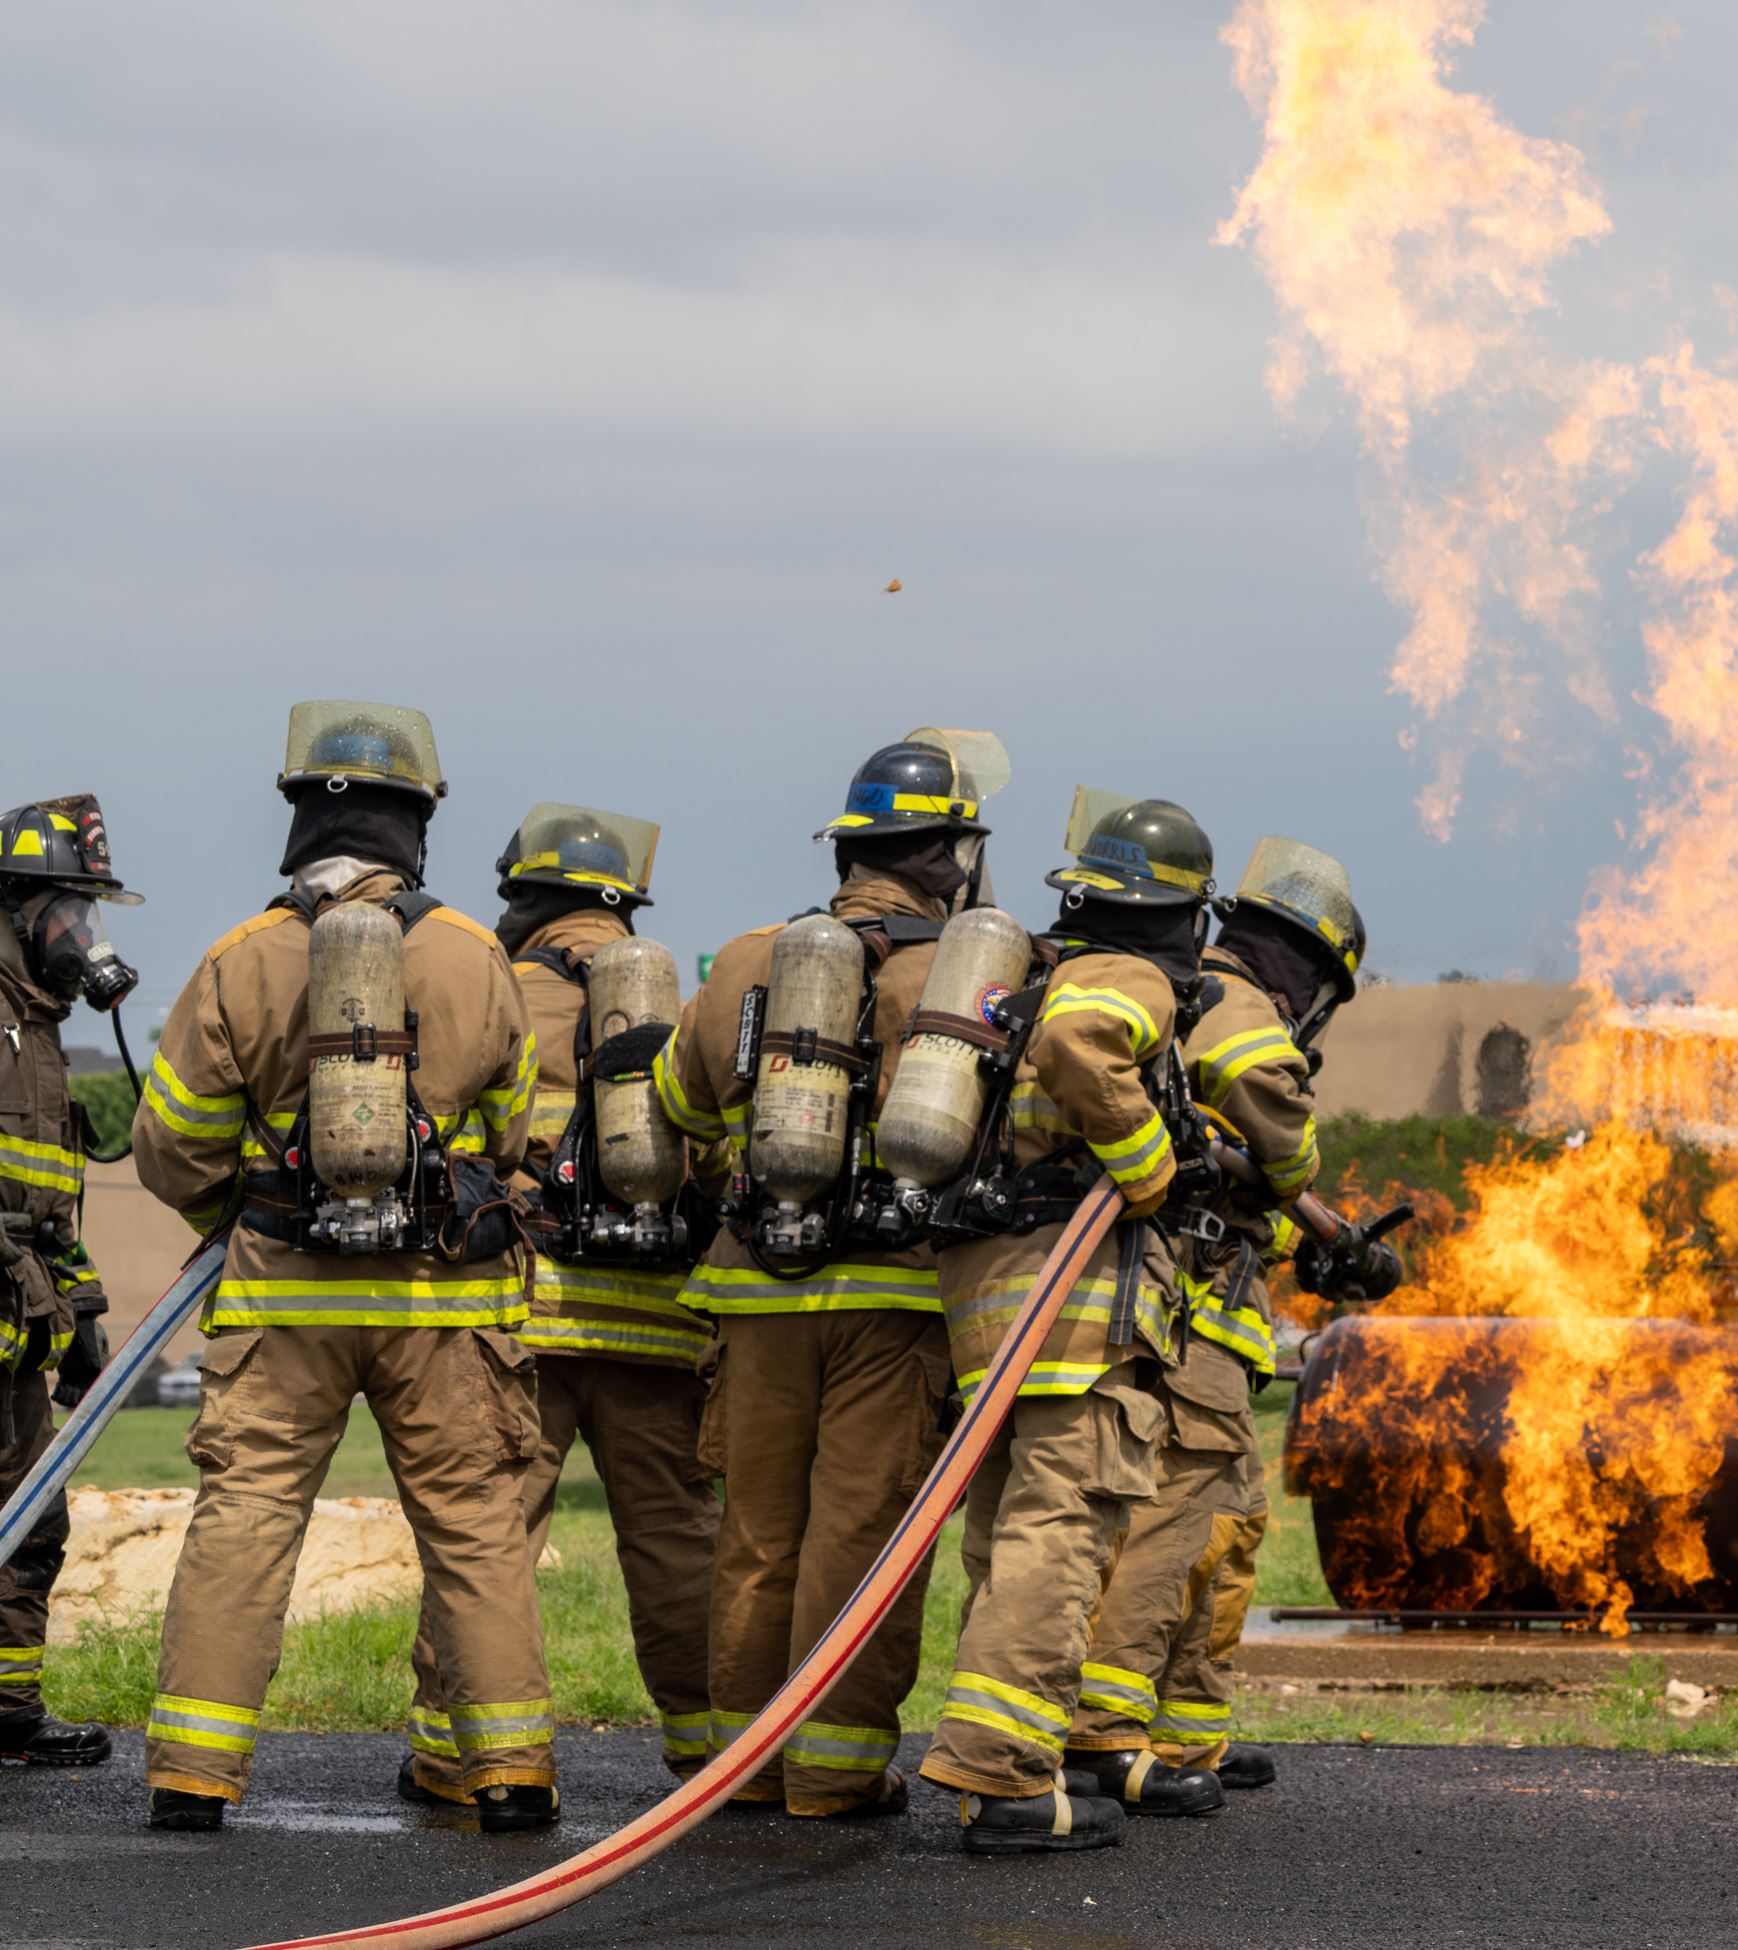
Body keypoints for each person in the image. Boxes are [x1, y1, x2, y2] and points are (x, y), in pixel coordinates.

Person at [133, 702, 551, 1834]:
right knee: (471, 1522)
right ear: (416, 823)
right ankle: (512, 1773)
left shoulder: (238, 959)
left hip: (282, 1298)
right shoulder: (474, 954)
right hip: (445, 1299)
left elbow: (170, 1146)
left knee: (249, 1518)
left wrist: (249, 1205)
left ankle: (191, 1778)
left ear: (297, 823)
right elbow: (511, 1136)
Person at [649, 733, 1002, 1818]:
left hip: (755, 1291)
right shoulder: (970, 971)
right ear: (952, 853)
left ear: (849, 850)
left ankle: (740, 1770)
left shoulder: (753, 958)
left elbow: (680, 1100)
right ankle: (833, 1774)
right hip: (894, 1302)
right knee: (861, 1537)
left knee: (755, 1536)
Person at [916, 791, 1220, 1854]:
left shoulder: (1050, 967)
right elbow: (1084, 1046)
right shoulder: (1120, 978)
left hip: (997, 1320)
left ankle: (1008, 1763)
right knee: (1059, 1536)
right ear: (1183, 916)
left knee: (1011, 1541)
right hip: (1074, 1324)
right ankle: (1002, 1782)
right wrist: (1149, 1166)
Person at [402, 803, 718, 1805]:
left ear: (525, 898)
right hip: (657, 1316)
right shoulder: (688, 1006)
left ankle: (453, 1755)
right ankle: (713, 1749)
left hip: (526, 1314)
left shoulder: (495, 994)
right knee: (675, 1536)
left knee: (488, 1537)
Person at [1068, 838, 1383, 1801]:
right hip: (1191, 1318)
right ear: (1308, 963)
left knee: (1232, 1525)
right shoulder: (1240, 1014)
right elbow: (1286, 1151)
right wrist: (1337, 1229)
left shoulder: (1196, 996)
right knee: (1175, 1526)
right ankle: (1103, 1739)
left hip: (1215, 1314)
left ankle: (1186, 1738)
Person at [0, 794, 141, 1769]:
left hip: (20, 1329)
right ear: (16, 908)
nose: (82, 937)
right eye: (67, 913)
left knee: (29, 1520)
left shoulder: (37, 1028)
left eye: (87, 917)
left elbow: (51, 1208)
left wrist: (83, 1316)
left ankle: (6, 1718)